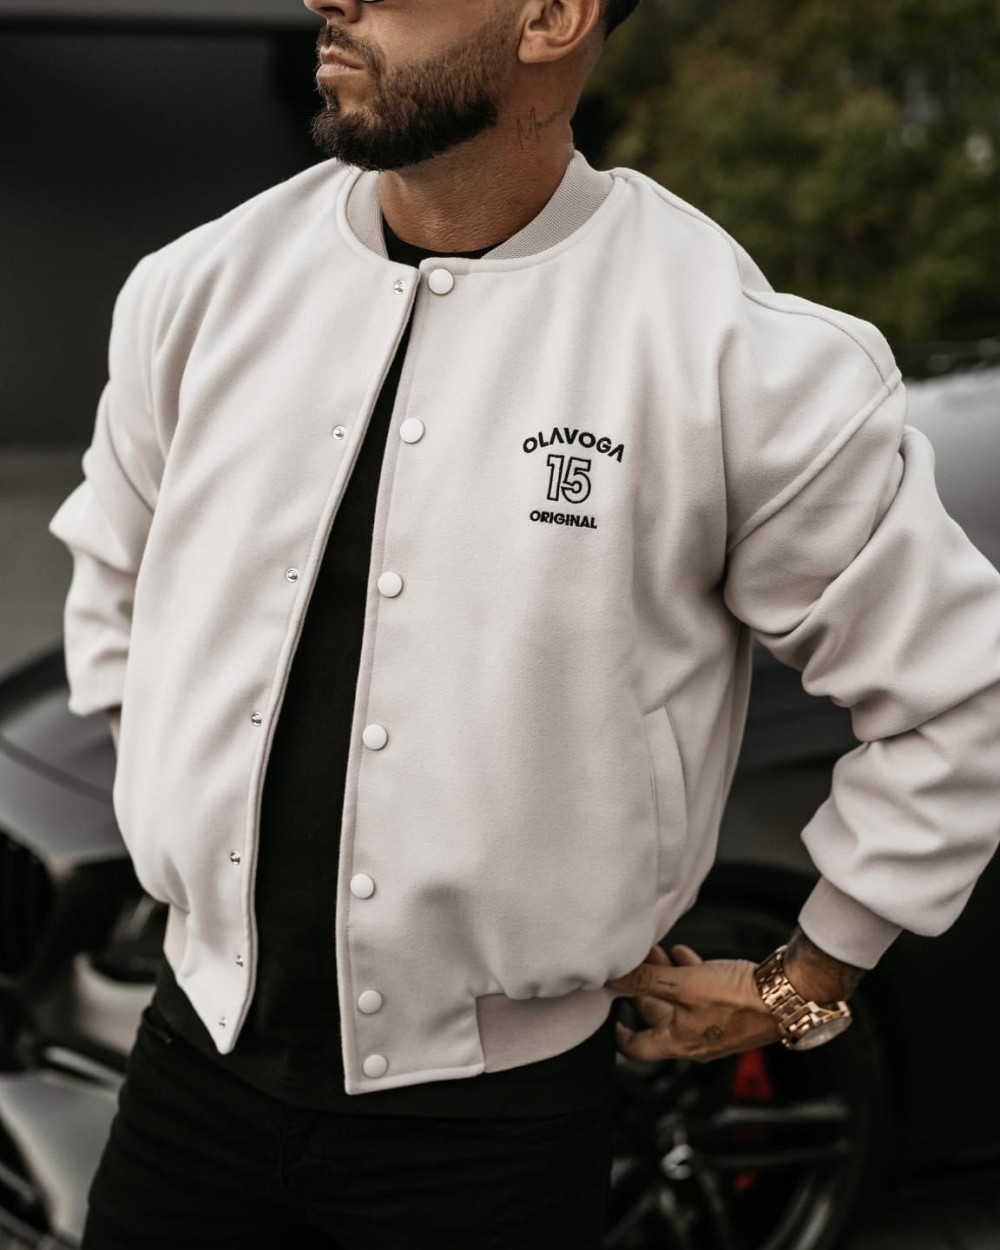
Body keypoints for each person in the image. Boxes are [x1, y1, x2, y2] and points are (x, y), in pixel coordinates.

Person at [48, 0, 1000, 1246]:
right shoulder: (198, 287)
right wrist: (183, 808)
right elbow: (112, 578)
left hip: (488, 1143)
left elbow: (959, 693)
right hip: (187, 1072)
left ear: (552, 17)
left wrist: (805, 979)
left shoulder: (734, 355)